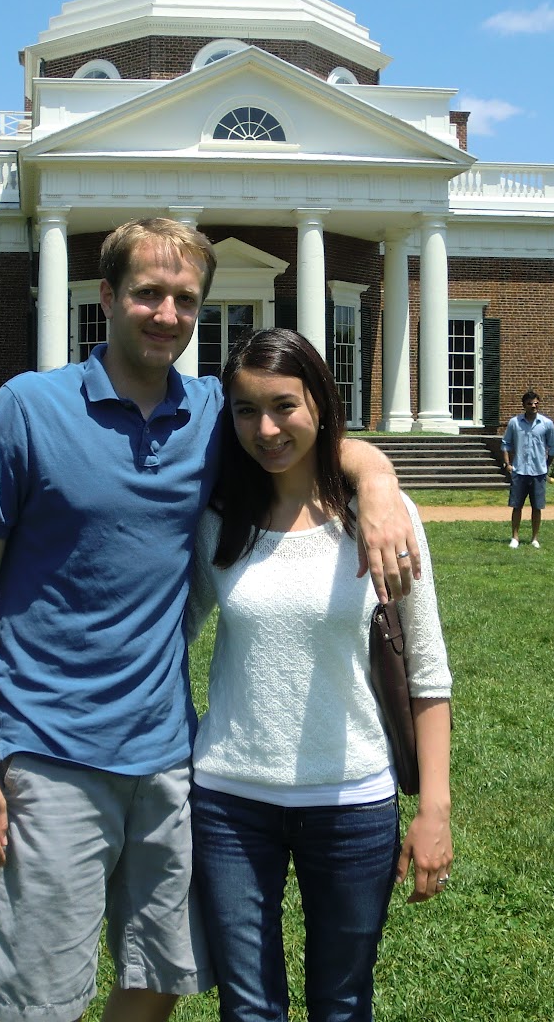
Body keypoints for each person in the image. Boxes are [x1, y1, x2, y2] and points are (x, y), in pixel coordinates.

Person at [0, 217, 418, 1022]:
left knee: (157, 977)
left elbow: (299, 432)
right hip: (49, 751)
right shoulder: (28, 408)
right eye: (148, 294)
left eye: (185, 299)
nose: (167, 314)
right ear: (107, 296)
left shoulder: (211, 416)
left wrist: (375, 475)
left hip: (167, 756)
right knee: (40, 998)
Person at [187, 329, 453, 1022]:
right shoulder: (219, 522)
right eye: (246, 411)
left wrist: (434, 809)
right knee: (249, 1009)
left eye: (284, 406)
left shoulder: (382, 520)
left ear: (321, 405)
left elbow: (426, 671)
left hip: (352, 803)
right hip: (229, 801)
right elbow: (167, 633)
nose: (266, 429)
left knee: (341, 1003)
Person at [501, 390, 554, 549]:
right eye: (530, 404)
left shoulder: (546, 423)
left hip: (538, 473)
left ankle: (534, 538)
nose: (534, 406)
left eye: (536, 404)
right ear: (524, 405)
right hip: (519, 471)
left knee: (537, 507)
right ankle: (515, 537)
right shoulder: (515, 423)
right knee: (516, 506)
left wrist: (546, 465)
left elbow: (553, 447)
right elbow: (505, 444)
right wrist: (508, 464)